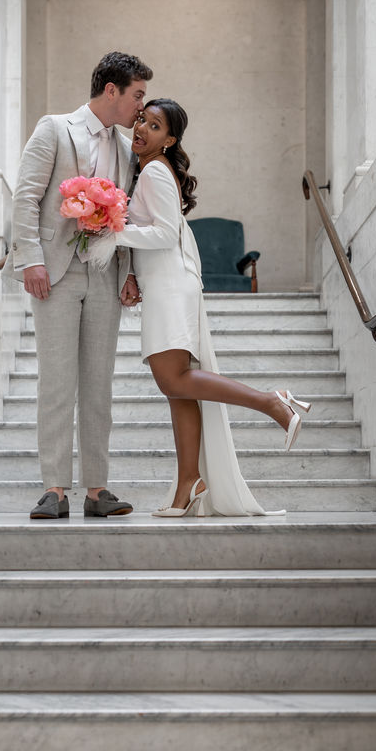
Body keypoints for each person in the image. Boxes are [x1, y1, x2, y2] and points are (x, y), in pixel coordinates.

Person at [89, 98, 311, 517]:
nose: (142, 129)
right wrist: (130, 272)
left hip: (171, 283)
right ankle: (188, 484)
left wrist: (111, 233)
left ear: (169, 140)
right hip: (164, 282)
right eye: (142, 120)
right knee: (178, 390)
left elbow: (164, 234)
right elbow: (156, 232)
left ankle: (270, 401)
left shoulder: (155, 170)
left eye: (155, 126)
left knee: (173, 379)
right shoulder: (148, 170)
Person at [3, 51, 153, 519]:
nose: (141, 107)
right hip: (56, 272)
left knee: (98, 385)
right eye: (137, 95)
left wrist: (130, 273)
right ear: (111, 90)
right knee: (56, 382)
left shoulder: (127, 150)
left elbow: (128, 217)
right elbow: (27, 197)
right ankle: (54, 489)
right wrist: (30, 260)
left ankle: (96, 490)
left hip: (106, 273)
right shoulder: (55, 129)